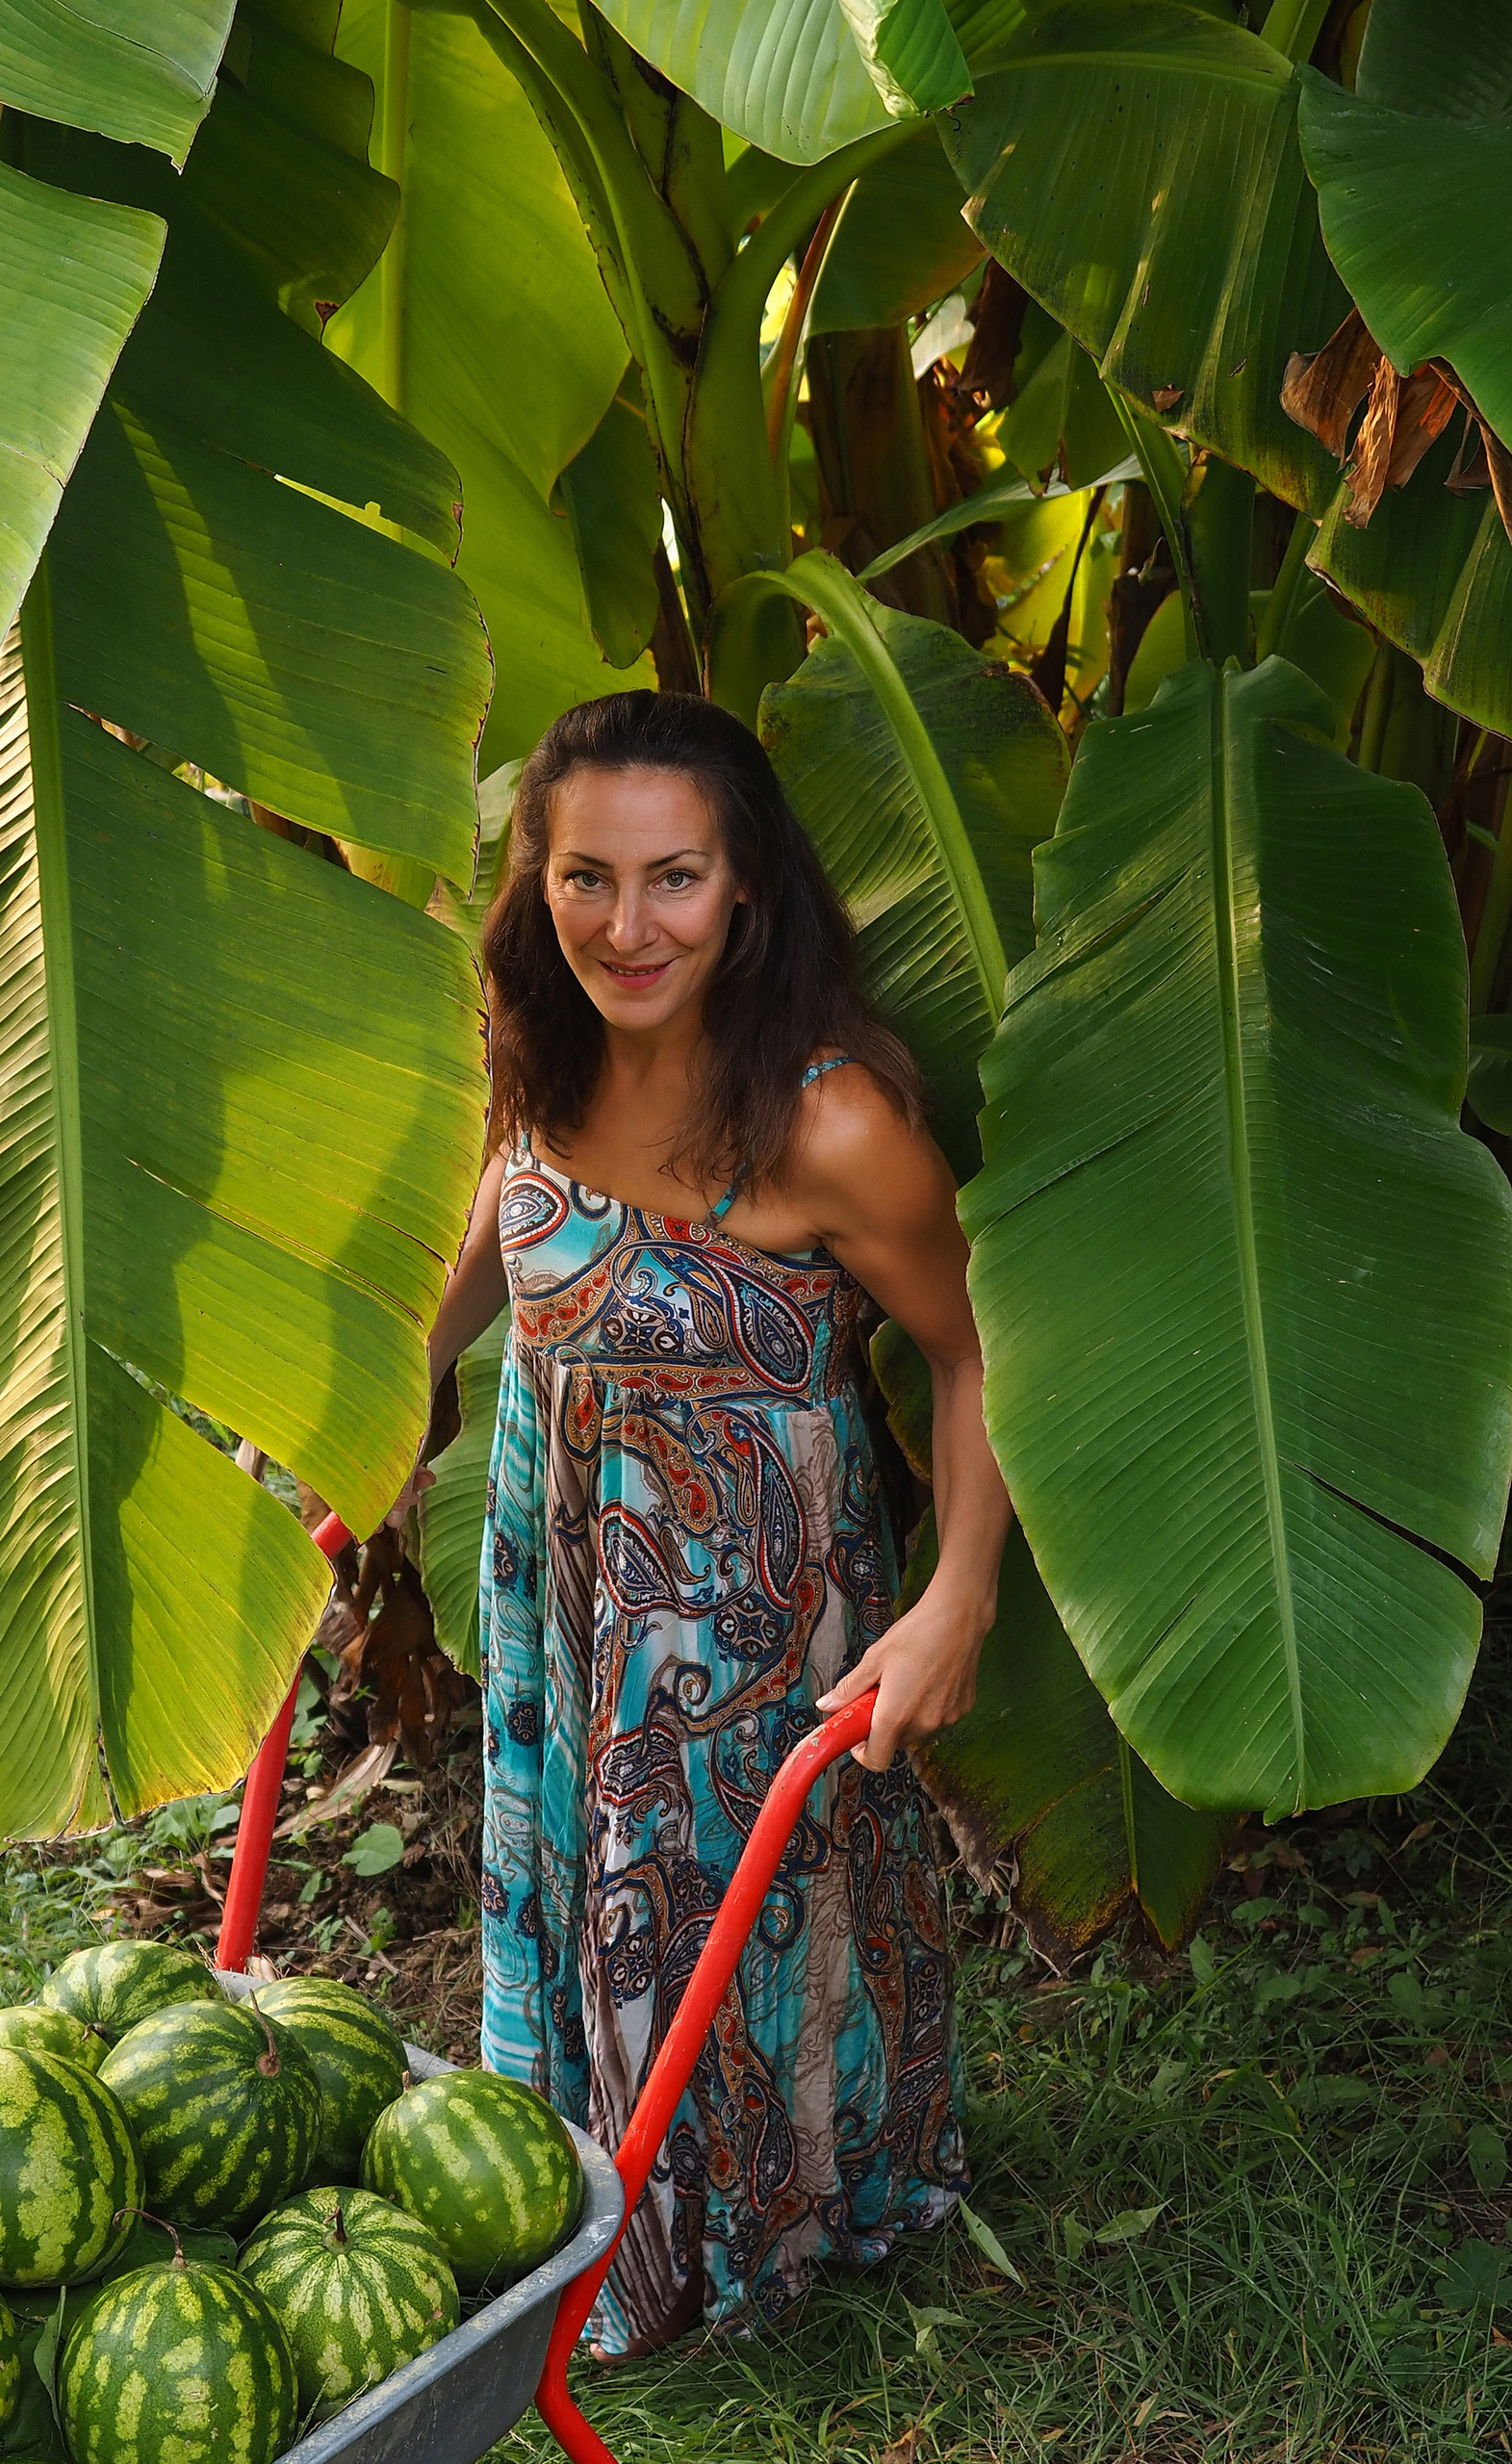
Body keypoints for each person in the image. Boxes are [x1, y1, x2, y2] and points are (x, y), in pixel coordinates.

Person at [410, 689, 1010, 2354]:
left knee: (732, 1916)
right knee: (579, 1866)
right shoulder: (534, 1041)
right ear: (539, 879)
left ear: (745, 884)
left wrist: (956, 1595)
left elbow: (975, 1352)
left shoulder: (832, 1124)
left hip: (753, 1582)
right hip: (565, 1544)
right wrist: (409, 1387)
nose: (626, 925)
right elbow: (503, 1204)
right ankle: (580, 2201)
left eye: (673, 878)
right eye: (585, 878)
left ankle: (746, 2246)